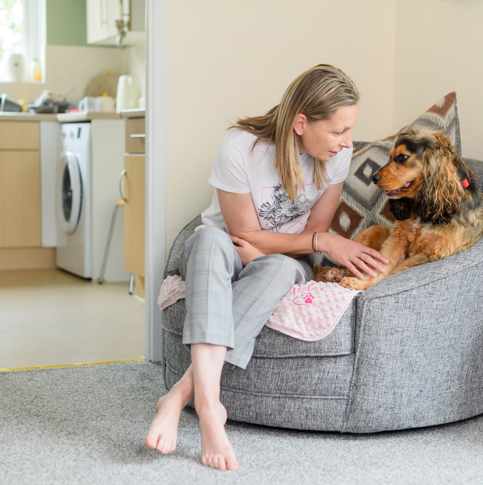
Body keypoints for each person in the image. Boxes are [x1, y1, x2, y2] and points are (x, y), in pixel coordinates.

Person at [145, 64, 389, 471]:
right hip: (223, 250)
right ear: (300, 122)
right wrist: (319, 241)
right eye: (337, 131)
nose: (347, 143)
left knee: (277, 269)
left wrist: (301, 245)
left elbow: (310, 232)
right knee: (208, 239)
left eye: (349, 130)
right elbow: (244, 233)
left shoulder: (336, 159)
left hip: (283, 262)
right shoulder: (240, 147)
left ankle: (183, 397)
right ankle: (211, 406)